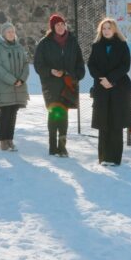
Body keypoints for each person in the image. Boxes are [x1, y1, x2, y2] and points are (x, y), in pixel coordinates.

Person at [33, 13, 85, 157]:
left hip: (68, 84)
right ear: (52, 27)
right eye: (57, 25)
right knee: (54, 114)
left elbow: (80, 63)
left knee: (64, 115)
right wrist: (50, 71)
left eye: (62, 24)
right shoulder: (44, 43)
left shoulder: (73, 41)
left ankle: (62, 146)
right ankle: (52, 145)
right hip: (51, 85)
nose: (61, 27)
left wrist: (76, 76)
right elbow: (38, 65)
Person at [87, 17, 131, 166]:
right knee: (103, 122)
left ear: (114, 30)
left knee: (116, 123)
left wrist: (111, 79)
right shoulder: (96, 46)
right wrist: (102, 79)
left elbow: (125, 66)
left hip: (119, 88)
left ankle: (114, 158)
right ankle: (104, 157)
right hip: (102, 88)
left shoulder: (122, 45)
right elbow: (91, 65)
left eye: (109, 28)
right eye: (104, 28)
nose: (106, 31)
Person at [0, 22, 29, 151]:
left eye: (13, 32)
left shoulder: (19, 47)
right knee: (5, 112)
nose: (11, 34)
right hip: (4, 86)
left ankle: (10, 140)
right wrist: (13, 80)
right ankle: (3, 140)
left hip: (19, 86)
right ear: (3, 34)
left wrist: (21, 79)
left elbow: (25, 64)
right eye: (8, 32)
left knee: (13, 113)